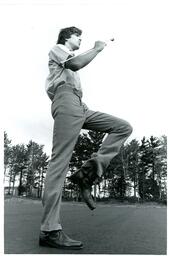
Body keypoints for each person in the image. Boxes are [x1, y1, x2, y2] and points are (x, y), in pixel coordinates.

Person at [39, 26, 133, 250]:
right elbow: (75, 63)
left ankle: (86, 176)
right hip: (65, 101)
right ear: (66, 38)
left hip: (79, 104)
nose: (80, 39)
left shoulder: (70, 56)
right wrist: (97, 48)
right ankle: (49, 230)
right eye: (77, 36)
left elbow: (75, 64)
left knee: (122, 127)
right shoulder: (58, 49)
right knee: (59, 162)